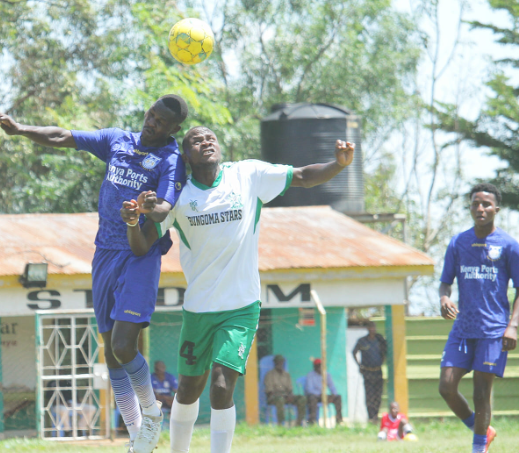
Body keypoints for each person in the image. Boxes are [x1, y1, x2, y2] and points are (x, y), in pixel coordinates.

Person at [121, 125, 354, 453]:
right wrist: (133, 221)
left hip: (241, 306)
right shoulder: (179, 198)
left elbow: (302, 176)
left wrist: (338, 165)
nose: (206, 142)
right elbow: (142, 246)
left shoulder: (247, 175)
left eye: (210, 138)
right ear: (186, 156)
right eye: (196, 140)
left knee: (220, 385)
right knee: (187, 389)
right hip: (199, 309)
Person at [0, 96, 188, 453]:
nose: (151, 123)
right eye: (151, 115)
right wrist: (20, 130)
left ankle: (152, 412)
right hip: (104, 254)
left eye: (161, 122)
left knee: (123, 345)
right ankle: (138, 439)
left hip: (140, 256)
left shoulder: (171, 159)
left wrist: (149, 206)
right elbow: (62, 137)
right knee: (112, 356)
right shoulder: (118, 140)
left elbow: (164, 208)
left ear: (174, 129)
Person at [438, 183, 519, 453]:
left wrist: (512, 326)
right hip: (463, 328)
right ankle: (483, 431)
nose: (480, 208)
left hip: (493, 331)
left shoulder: (509, 245)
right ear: (470, 207)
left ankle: (478, 449)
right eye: (476, 203)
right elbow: (445, 283)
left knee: (480, 393)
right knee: (446, 387)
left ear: (496, 209)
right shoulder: (458, 242)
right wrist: (444, 298)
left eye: (486, 204)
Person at [352, 321, 387, 421]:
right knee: (369, 395)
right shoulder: (362, 341)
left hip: (378, 371)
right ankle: (371, 417)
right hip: (367, 372)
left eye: (374, 327)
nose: (372, 329)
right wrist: (359, 365)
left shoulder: (379, 339)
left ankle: (376, 415)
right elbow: (354, 352)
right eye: (370, 327)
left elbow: (385, 351)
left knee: (378, 395)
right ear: (367, 328)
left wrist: (382, 361)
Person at [264, 355, 306, 426]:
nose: (280, 363)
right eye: (278, 362)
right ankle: (281, 424)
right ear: (275, 363)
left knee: (302, 398)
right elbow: (269, 391)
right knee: (280, 400)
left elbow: (290, 389)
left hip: (286, 396)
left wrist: (290, 396)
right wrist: (283, 395)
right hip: (274, 397)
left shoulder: (286, 375)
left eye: (281, 362)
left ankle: (299, 423)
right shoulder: (270, 374)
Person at [303, 359, 342, 425]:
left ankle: (339, 421)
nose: (319, 367)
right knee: (312, 398)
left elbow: (332, 386)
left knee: (338, 397)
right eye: (317, 366)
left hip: (324, 396)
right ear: (314, 367)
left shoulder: (327, 374)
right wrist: (319, 394)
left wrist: (333, 395)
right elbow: (309, 389)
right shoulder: (310, 375)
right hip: (315, 396)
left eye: (320, 365)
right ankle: (312, 422)